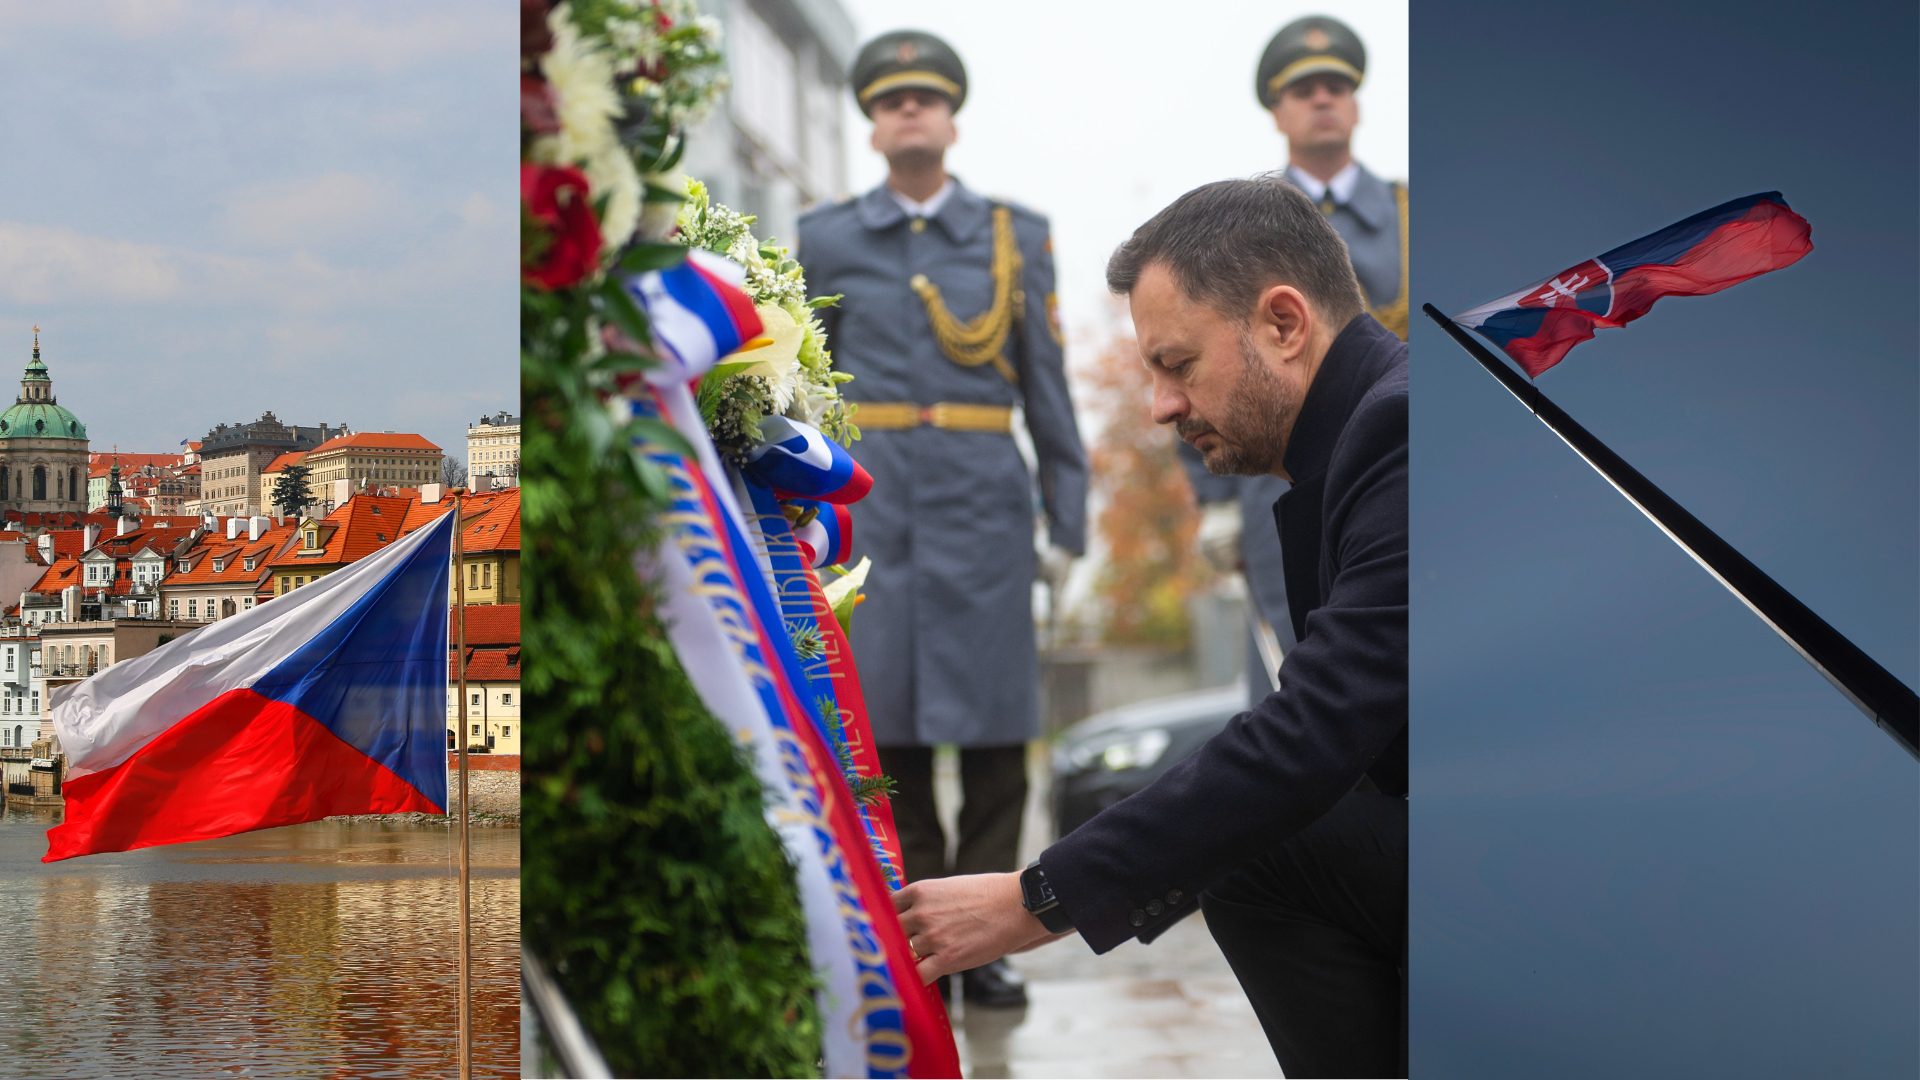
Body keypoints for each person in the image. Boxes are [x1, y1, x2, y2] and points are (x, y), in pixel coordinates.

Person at [891, 176, 1408, 1077]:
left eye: (1177, 364)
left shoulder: (1399, 434)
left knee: (1269, 847)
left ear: (1284, 324)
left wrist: (1034, 899)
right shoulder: (1369, 430)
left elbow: (1315, 733)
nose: (1161, 407)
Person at [796, 29, 1087, 1010]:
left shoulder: (1014, 233)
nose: (909, 112)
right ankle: (924, 937)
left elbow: (1047, 387)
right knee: (894, 726)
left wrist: (1072, 521)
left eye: (925, 98)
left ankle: (992, 939)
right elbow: (801, 386)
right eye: (890, 101)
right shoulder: (825, 238)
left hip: (982, 499)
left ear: (951, 117)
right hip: (872, 502)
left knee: (1001, 730)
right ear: (872, 123)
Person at [1183, 14, 1408, 708]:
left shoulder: (1412, 213)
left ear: (1357, 103)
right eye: (1304, 88)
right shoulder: (1238, 228)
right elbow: (1195, 358)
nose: (1322, 98)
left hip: (1400, 467)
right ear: (1277, 108)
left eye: (1336, 85)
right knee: (1293, 677)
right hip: (1273, 482)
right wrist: (1212, 497)